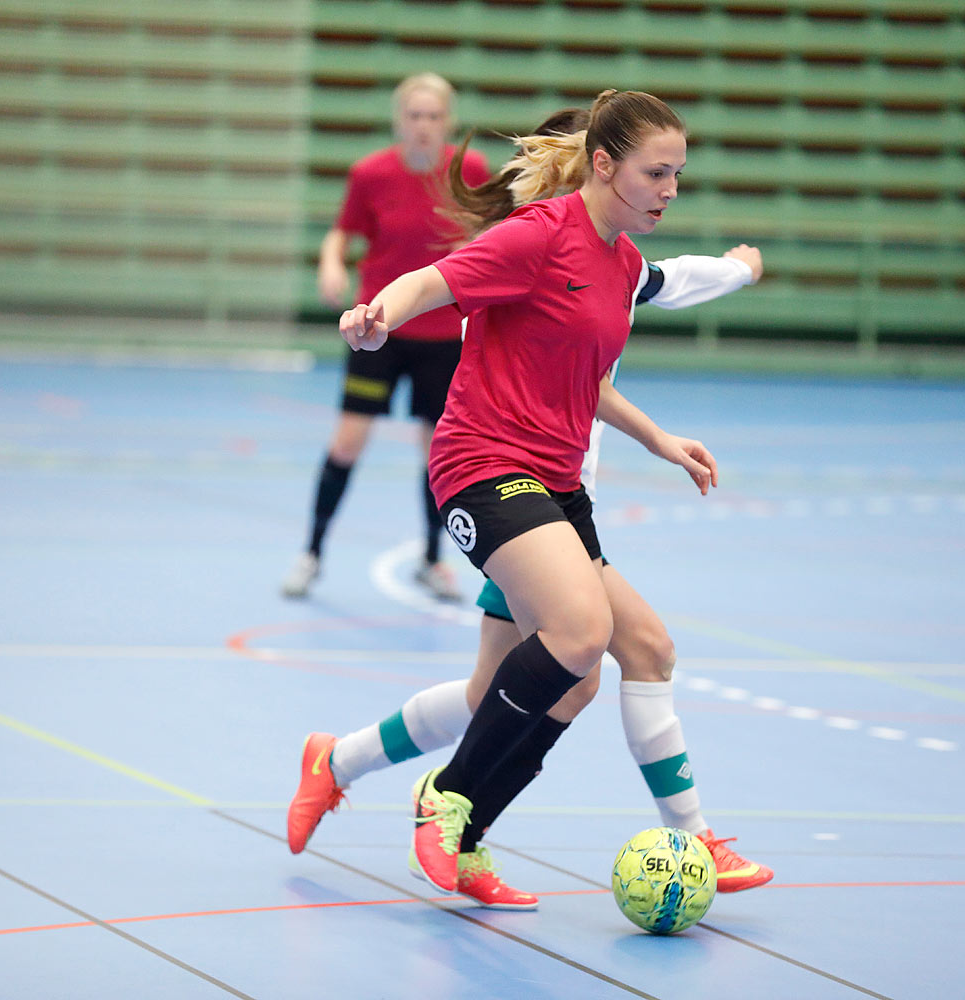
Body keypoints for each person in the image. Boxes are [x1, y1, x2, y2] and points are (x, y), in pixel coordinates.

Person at [288, 108, 770, 909]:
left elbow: (593, 369)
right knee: (580, 634)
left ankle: (420, 812)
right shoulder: (538, 235)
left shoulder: (619, 262)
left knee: (603, 666)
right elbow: (434, 281)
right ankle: (448, 799)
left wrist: (658, 439)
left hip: (557, 488)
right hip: (485, 467)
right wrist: (378, 316)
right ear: (607, 164)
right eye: (658, 172)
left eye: (679, 174)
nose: (671, 189)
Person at [281, 73, 491, 600]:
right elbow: (341, 232)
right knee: (347, 443)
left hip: (445, 335)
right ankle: (311, 552)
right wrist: (331, 264)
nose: (423, 126)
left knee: (438, 451)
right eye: (414, 116)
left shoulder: (472, 170)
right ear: (401, 120)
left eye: (434, 116)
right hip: (379, 330)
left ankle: (432, 558)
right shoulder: (370, 174)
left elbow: (494, 232)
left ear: (449, 122)